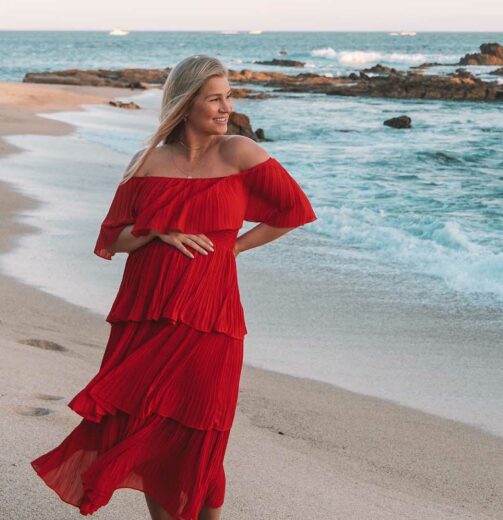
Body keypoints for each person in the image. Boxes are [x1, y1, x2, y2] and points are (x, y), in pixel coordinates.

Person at [30, 54, 317, 520]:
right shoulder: (146, 162)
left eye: (228, 97)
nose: (227, 108)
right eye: (215, 99)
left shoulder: (240, 152)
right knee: (146, 424)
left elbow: (294, 211)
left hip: (212, 317)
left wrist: (233, 249)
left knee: (203, 429)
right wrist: (157, 230)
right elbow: (111, 238)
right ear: (186, 104)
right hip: (146, 313)